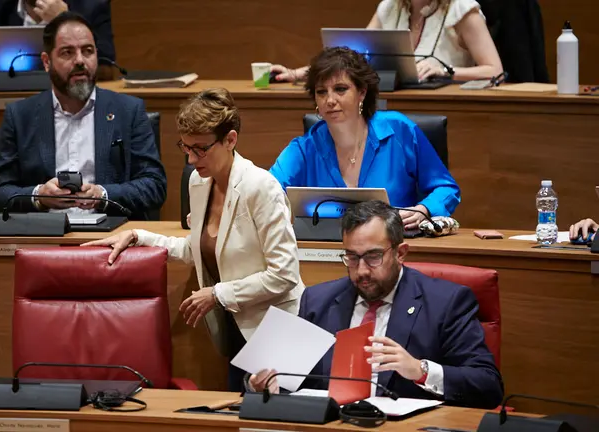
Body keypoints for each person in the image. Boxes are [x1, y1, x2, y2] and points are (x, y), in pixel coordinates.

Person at [83, 88, 305, 392]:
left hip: (277, 330)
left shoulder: (261, 188)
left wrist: (216, 294)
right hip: (236, 329)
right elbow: (195, 249)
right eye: (185, 148)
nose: (191, 159)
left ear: (230, 140)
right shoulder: (199, 182)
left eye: (200, 148)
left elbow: (285, 274)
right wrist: (138, 236)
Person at [249, 200, 504, 409]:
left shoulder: (446, 302)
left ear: (400, 253)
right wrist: (261, 384)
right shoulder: (318, 301)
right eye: (351, 257)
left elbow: (487, 385)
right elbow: (279, 378)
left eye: (373, 257)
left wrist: (420, 370)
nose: (361, 271)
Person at [0, 12, 165, 220]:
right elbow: (0, 193)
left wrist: (102, 195)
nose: (80, 61)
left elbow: (154, 186)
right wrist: (39, 196)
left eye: (88, 51)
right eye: (67, 53)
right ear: (46, 62)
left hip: (111, 237)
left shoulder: (128, 111)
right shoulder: (20, 116)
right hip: (45, 237)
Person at [269, 47, 460, 230]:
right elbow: (265, 191)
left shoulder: (401, 131)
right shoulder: (304, 149)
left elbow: (446, 188)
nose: (330, 100)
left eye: (340, 89)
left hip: (396, 247)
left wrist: (423, 210)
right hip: (326, 251)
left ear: (362, 92)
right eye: (321, 92)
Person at [271, 0, 502, 83]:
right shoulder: (390, 7)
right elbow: (351, 59)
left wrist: (444, 70)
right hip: (392, 108)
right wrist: (298, 73)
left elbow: (495, 70)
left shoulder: (462, 9)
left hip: (452, 112)